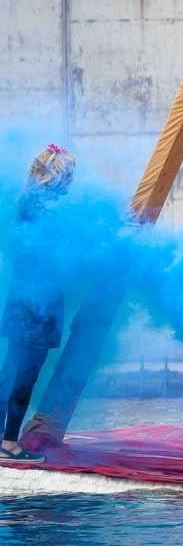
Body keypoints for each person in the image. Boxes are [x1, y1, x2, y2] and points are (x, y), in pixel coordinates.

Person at [0, 144, 76, 463]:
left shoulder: (30, 202)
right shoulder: (45, 207)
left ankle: (4, 437)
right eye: (68, 173)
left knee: (12, 370)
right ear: (54, 175)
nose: (72, 180)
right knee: (24, 374)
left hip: (29, 299)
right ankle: (8, 441)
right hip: (37, 304)